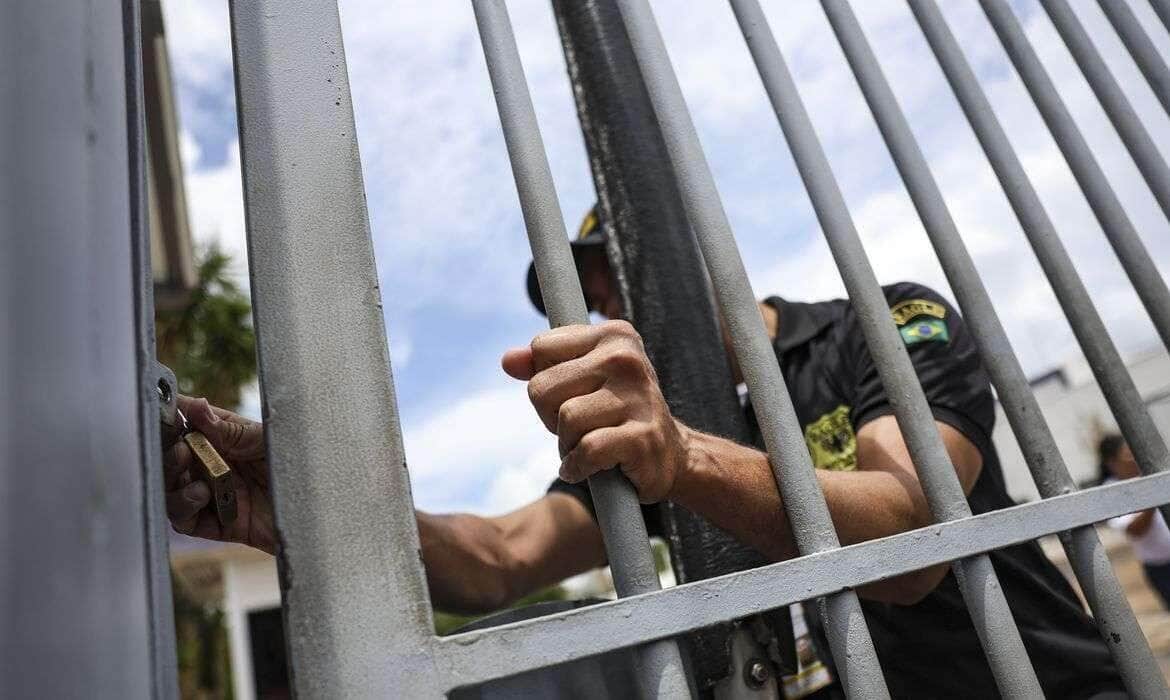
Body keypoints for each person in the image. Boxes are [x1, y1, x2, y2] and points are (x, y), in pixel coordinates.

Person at [166, 208, 1124, 698]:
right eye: (586, 300)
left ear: (694, 256)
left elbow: (913, 534)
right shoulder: (652, 432)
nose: (604, 312)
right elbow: (496, 558)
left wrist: (687, 461)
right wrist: (318, 512)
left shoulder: (878, 326)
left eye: (618, 279)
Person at [1100, 434, 1170, 607]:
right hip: (1161, 567)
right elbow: (1134, 530)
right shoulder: (1110, 491)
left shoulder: (1153, 473)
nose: (1135, 457)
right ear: (1112, 463)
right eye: (1128, 454)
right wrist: (1154, 499)